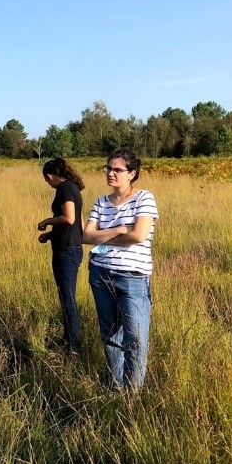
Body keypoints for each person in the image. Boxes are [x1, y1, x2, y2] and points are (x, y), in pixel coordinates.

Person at [83, 150, 158, 391]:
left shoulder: (144, 198)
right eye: (108, 168)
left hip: (132, 277)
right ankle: (116, 386)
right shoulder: (101, 202)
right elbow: (86, 235)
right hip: (100, 274)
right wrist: (118, 230)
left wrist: (103, 237)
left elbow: (138, 235)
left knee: (135, 338)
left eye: (118, 169)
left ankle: (132, 393)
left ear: (132, 173)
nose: (111, 173)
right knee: (111, 335)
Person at [37, 158, 85, 353]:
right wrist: (50, 235)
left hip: (67, 251)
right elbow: (76, 224)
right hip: (70, 247)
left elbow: (69, 218)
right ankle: (68, 339)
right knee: (65, 296)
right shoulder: (73, 187)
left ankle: (73, 347)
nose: (48, 184)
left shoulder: (64, 189)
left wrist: (47, 221)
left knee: (68, 298)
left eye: (47, 180)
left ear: (49, 176)